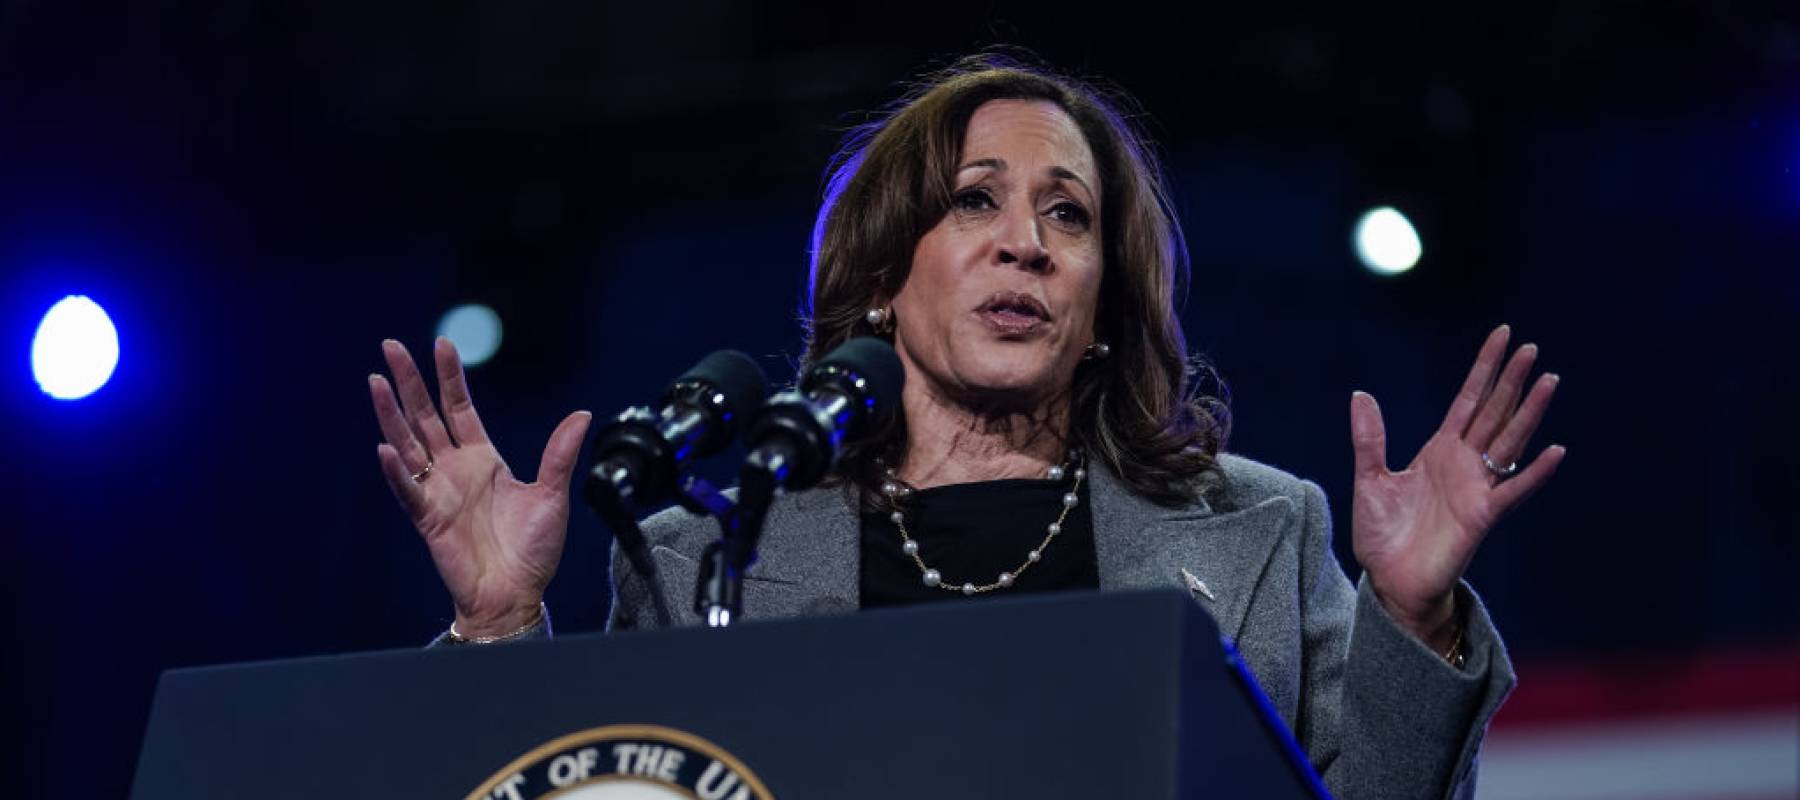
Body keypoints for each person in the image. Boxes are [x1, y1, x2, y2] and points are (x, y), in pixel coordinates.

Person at [366, 55, 1563, 800]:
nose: (1026, 241)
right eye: (974, 200)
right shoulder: (701, 553)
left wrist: (1411, 614)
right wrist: (496, 626)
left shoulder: (1257, 524)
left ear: (1099, 302)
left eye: (1068, 215)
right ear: (887, 270)